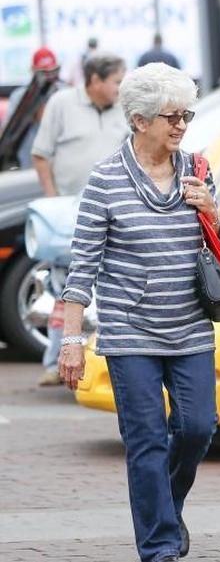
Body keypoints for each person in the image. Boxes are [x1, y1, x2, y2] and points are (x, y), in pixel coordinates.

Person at [57, 62, 220, 562]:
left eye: (186, 116)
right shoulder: (106, 180)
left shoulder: (197, 168)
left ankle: (163, 508)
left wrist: (213, 212)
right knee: (146, 440)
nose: (181, 126)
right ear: (139, 120)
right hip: (131, 333)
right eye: (171, 116)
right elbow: (82, 265)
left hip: (190, 325)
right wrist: (70, 341)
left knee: (199, 427)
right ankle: (160, 547)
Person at [30, 51, 127, 386]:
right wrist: (52, 199)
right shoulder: (62, 104)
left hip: (115, 212)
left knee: (110, 288)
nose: (120, 87)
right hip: (70, 213)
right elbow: (41, 155)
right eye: (115, 81)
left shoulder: (125, 109)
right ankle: (55, 363)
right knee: (66, 285)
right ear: (95, 80)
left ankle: (103, 365)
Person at [2, 47, 64, 169]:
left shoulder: (65, 93)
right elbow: (7, 130)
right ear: (33, 70)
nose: (48, 77)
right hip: (29, 160)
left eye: (52, 71)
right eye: (43, 72)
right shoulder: (19, 97)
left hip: (60, 160)